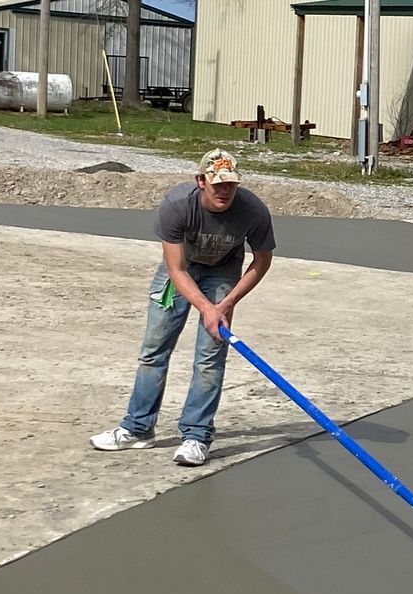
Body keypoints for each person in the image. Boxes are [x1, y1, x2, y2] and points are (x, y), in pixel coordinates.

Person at [90, 147, 276, 468]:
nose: (224, 190)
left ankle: (197, 436)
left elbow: (261, 262)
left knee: (210, 357)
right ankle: (138, 428)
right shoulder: (177, 205)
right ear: (201, 181)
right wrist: (206, 308)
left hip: (223, 273)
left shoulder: (253, 211)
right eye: (217, 183)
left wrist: (225, 304)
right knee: (154, 350)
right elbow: (176, 269)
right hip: (181, 270)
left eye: (230, 184)